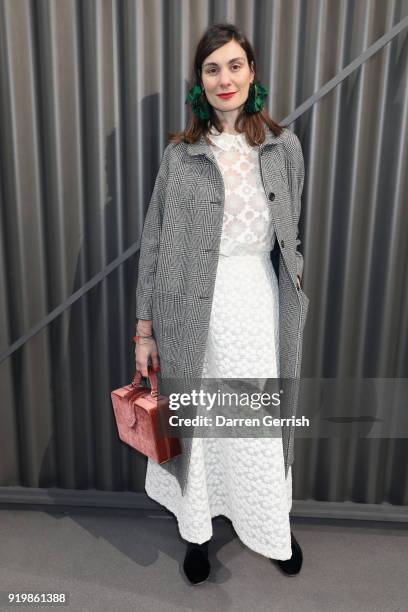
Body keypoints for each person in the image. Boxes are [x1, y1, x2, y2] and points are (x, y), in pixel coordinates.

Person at [134, 23, 309, 585]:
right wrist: (145, 330)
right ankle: (197, 537)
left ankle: (269, 524)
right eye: (212, 69)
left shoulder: (283, 147)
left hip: (257, 306)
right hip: (191, 313)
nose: (225, 78)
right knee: (202, 427)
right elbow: (155, 242)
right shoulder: (181, 156)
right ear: (200, 82)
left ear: (252, 73)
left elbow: (289, 232)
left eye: (234, 65)